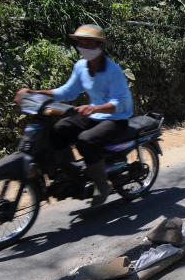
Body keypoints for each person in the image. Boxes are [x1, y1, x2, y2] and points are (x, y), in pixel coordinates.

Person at [14, 25, 133, 206]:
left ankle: (102, 185)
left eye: (90, 43)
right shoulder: (80, 67)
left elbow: (121, 102)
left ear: (101, 46)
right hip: (93, 115)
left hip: (115, 119)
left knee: (87, 140)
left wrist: (95, 108)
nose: (84, 46)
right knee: (58, 129)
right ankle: (72, 174)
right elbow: (67, 91)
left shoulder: (113, 71)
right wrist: (33, 92)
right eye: (81, 43)